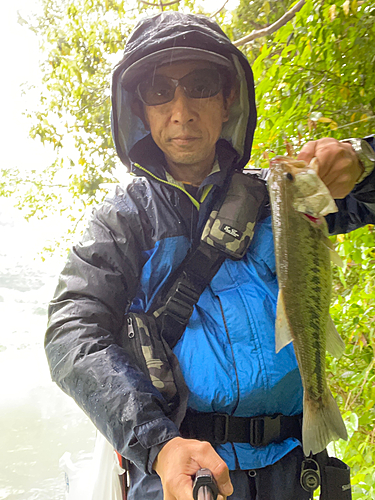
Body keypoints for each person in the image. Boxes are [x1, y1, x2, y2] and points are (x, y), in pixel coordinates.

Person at [45, 11, 375, 500]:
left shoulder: (285, 196)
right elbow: (70, 332)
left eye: (199, 85)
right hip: (184, 474)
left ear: (228, 101)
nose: (180, 110)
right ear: (141, 110)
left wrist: (361, 158)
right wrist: (158, 445)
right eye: (159, 90)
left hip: (299, 466)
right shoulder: (121, 222)